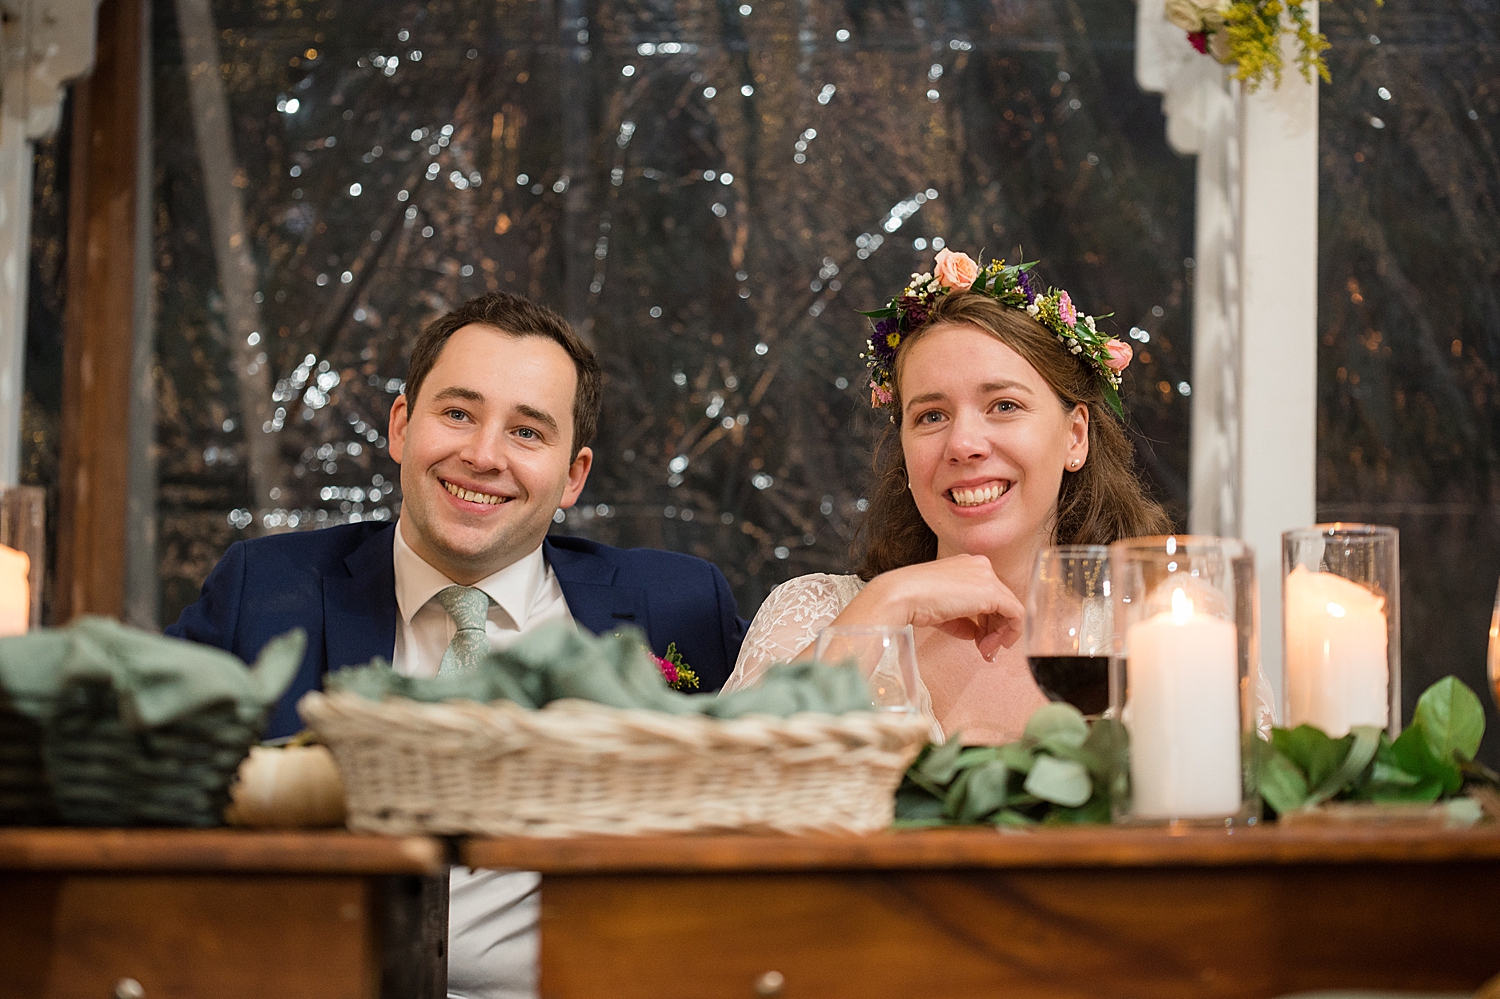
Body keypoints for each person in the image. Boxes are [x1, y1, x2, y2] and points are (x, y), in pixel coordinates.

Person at [168, 291, 748, 999]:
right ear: (402, 426)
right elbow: (133, 778)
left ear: (573, 475)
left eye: (527, 432)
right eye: (457, 413)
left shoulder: (679, 607)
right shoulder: (262, 590)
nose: (482, 455)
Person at [723, 249, 1169, 744]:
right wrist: (888, 602)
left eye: (1003, 405)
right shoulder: (817, 613)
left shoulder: (1163, 633)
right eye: (931, 416)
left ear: (1075, 437)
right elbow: (711, 793)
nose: (962, 445)